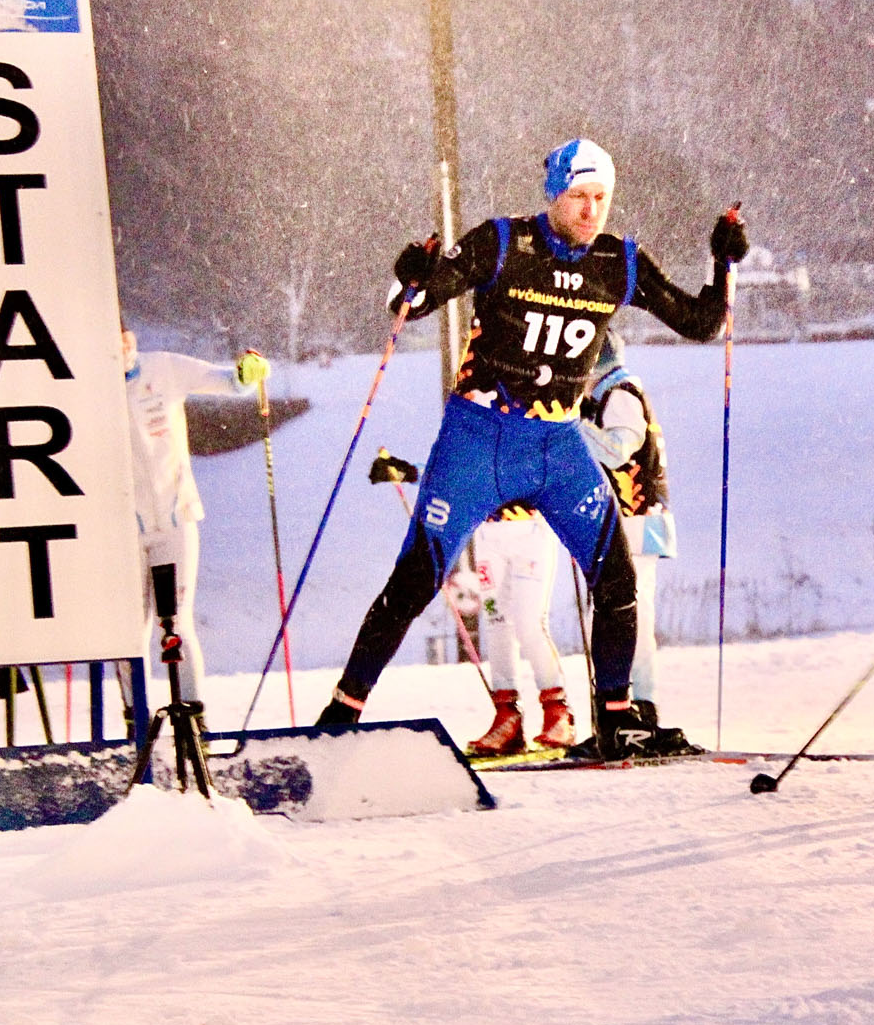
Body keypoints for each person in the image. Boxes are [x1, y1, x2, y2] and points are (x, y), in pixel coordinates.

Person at [318, 138, 746, 758]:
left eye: (601, 197)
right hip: (479, 439)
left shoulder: (618, 260)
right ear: (553, 194)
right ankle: (340, 715)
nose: (591, 210)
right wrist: (409, 272)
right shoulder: (501, 242)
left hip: (556, 445)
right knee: (415, 580)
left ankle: (618, 717)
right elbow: (407, 306)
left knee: (618, 578)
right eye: (578, 196)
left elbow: (702, 323)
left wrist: (723, 264)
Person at [122, 330, 269, 706]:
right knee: (127, 634)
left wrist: (246, 372)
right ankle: (135, 725)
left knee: (175, 626)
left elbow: (227, 382)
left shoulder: (163, 367)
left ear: (131, 336)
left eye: (123, 336)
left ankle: (194, 721)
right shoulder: (89, 385)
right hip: (124, 530)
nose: (121, 347)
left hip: (175, 517)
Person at [580, 329, 677, 726]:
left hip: (635, 524)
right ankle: (624, 709)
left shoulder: (619, 395)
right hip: (632, 524)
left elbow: (618, 451)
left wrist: (576, 427)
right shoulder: (613, 392)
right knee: (619, 618)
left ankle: (641, 709)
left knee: (628, 619)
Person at [456, 504, 574, 756]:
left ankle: (558, 713)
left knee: (528, 622)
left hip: (531, 531)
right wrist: (411, 472)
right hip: (488, 534)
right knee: (496, 620)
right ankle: (507, 719)